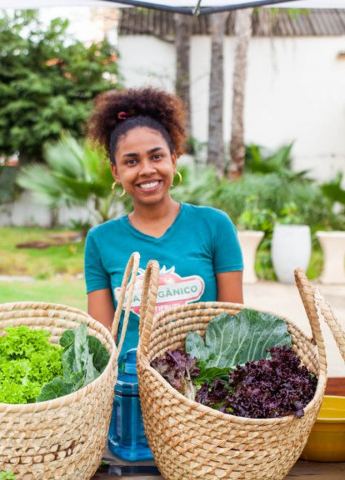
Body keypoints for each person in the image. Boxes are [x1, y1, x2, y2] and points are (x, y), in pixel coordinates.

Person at [84, 85, 244, 348]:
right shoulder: (100, 240)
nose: (147, 170)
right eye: (131, 161)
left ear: (173, 160)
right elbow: (103, 343)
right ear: (115, 172)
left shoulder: (215, 226)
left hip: (204, 383)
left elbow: (234, 325)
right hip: (130, 384)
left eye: (156, 156)